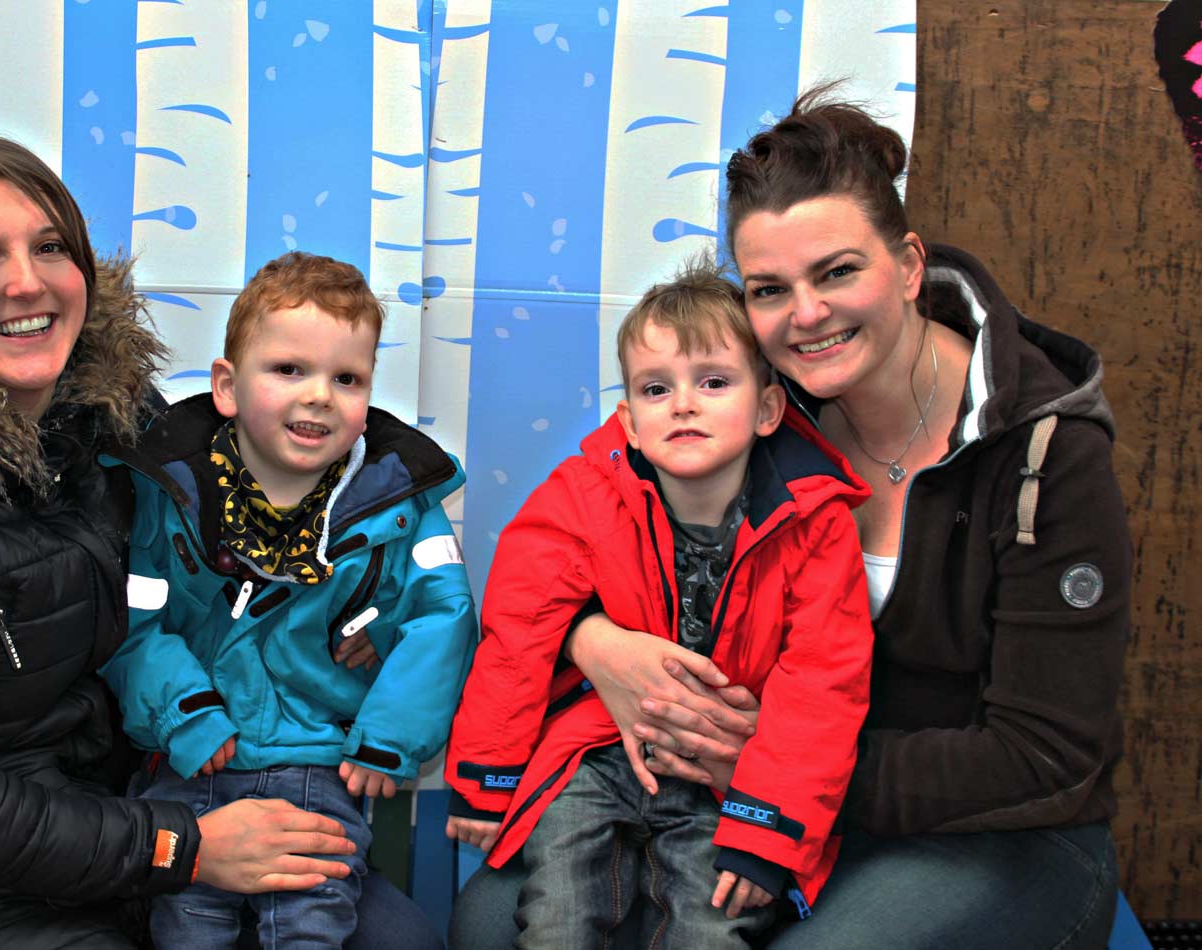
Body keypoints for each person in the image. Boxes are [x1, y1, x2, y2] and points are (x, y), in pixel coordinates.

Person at [448, 88, 1129, 950]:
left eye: (838, 271)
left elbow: (1044, 757)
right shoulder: (745, 405)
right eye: (771, 288)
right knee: (489, 926)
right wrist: (593, 641)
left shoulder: (1046, 455)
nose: (806, 315)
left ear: (910, 265)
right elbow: (581, 525)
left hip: (988, 829)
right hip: (743, 793)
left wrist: (771, 774)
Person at [0, 137, 442, 950]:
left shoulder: (117, 417)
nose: (27, 281)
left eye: (50, 248)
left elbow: (252, 543)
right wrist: (186, 850)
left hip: (136, 799)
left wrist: (349, 619)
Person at [441, 258, 874, 948]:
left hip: (725, 776)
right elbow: (520, 626)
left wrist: (768, 826)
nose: (683, 403)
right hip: (600, 750)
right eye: (656, 387)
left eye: (713, 382)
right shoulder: (585, 492)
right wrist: (485, 777)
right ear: (630, 421)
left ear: (767, 409)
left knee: (711, 928)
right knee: (555, 916)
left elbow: (823, 685)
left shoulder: (816, 525)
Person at [98, 250, 479, 949]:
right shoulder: (168, 493)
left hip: (319, 767)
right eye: (288, 370)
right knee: (186, 925)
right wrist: (185, 714)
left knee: (311, 920)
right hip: (195, 764)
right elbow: (133, 619)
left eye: (347, 378)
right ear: (226, 386)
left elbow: (441, 617)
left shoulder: (399, 505)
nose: (318, 396)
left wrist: (390, 737)